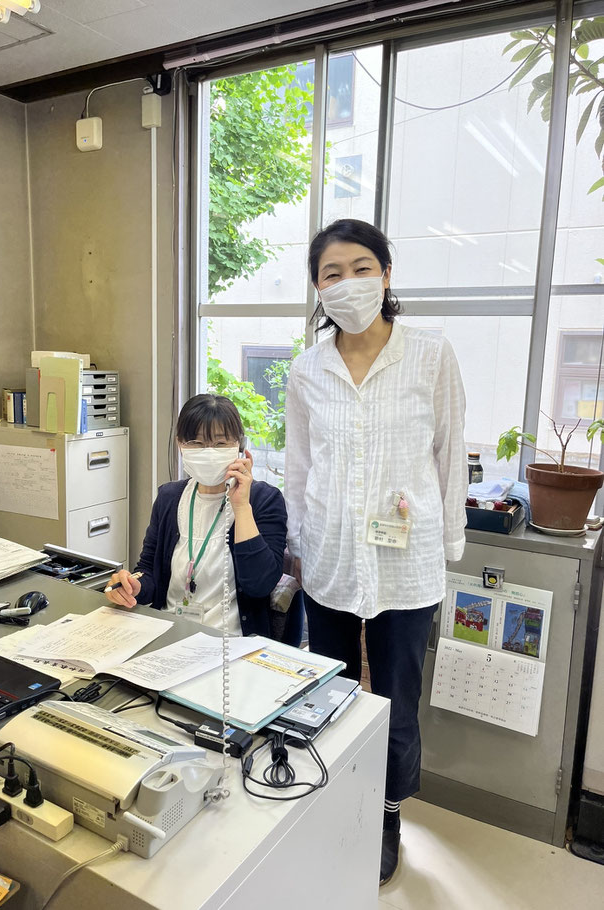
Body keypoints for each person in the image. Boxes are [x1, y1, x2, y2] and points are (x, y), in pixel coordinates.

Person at [284, 218, 467, 885]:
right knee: (328, 697)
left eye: (362, 267)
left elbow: (450, 455)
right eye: (332, 273)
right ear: (318, 288)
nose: (349, 283)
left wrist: (448, 544)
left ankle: (387, 818)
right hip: (328, 557)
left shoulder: (429, 354)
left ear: (386, 275)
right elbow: (299, 465)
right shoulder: (307, 369)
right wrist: (296, 548)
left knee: (394, 702)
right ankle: (336, 804)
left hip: (407, 562)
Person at [106, 394, 287, 638]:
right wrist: (133, 586)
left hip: (230, 646)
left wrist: (242, 506)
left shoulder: (265, 500)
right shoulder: (169, 498)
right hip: (169, 635)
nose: (209, 452)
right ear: (180, 444)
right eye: (196, 443)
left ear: (240, 446)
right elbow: (149, 571)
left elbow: (260, 585)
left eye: (221, 444)